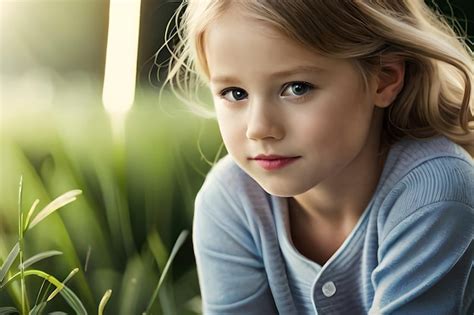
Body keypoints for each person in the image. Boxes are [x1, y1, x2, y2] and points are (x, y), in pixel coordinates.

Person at [163, 0, 474, 314]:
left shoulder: (435, 192)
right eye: (234, 93)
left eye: (297, 88)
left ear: (384, 78)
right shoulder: (229, 200)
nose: (259, 129)